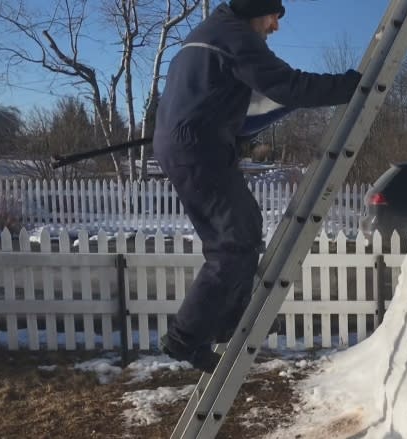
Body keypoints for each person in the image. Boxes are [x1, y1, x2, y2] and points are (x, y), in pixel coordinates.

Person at [153, 0, 362, 371]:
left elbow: (234, 105)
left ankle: (225, 322)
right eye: (273, 16)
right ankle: (184, 338)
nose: (275, 27)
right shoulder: (234, 36)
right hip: (197, 149)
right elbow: (288, 85)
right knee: (232, 246)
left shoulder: (209, 35)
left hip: (194, 144)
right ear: (256, 10)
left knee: (245, 230)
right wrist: (350, 86)